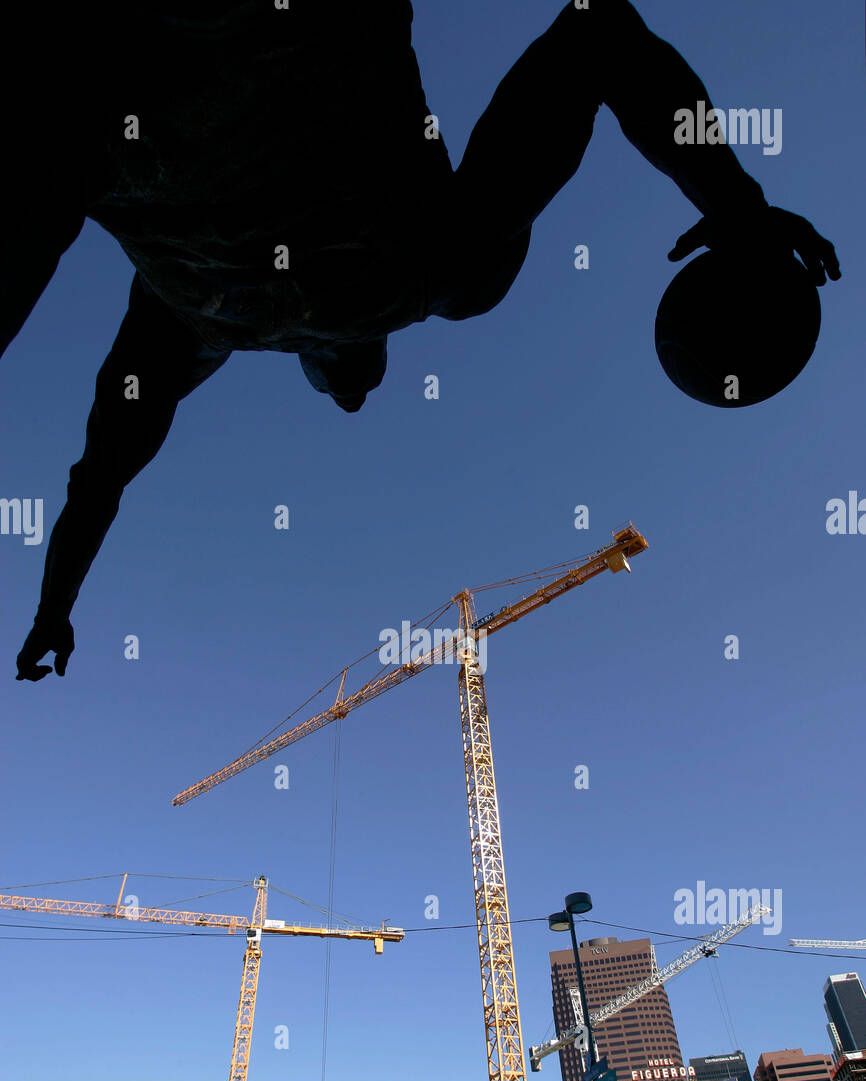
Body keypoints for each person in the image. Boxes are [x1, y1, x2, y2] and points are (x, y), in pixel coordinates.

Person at [9, 1, 840, 682]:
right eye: (356, 382)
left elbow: (598, 35)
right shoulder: (437, 275)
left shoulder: (207, 317)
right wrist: (53, 607)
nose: (357, 390)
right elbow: (600, 38)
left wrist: (737, 204)